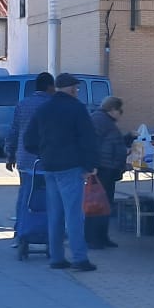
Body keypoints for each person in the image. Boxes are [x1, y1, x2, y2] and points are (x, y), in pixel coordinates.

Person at [26, 72, 99, 272]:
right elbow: (88, 139)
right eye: (76, 88)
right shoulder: (77, 108)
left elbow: (29, 140)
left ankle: (56, 257)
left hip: (49, 167)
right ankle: (79, 258)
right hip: (71, 167)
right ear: (71, 88)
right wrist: (90, 165)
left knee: (55, 214)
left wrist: (44, 153)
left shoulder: (43, 109)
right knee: (74, 214)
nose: (77, 91)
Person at [3, 71, 55, 261]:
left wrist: (9, 154)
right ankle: (47, 232)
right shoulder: (52, 105)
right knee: (48, 200)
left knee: (25, 197)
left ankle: (20, 233)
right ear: (50, 87)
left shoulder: (23, 104)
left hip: (25, 161)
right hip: (47, 161)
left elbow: (14, 130)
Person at [88, 95, 129, 249]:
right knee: (99, 205)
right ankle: (95, 238)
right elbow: (93, 143)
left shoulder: (104, 120)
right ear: (112, 109)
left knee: (104, 205)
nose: (121, 114)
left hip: (107, 167)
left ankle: (102, 237)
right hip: (103, 168)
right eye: (120, 110)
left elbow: (111, 142)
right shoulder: (100, 120)